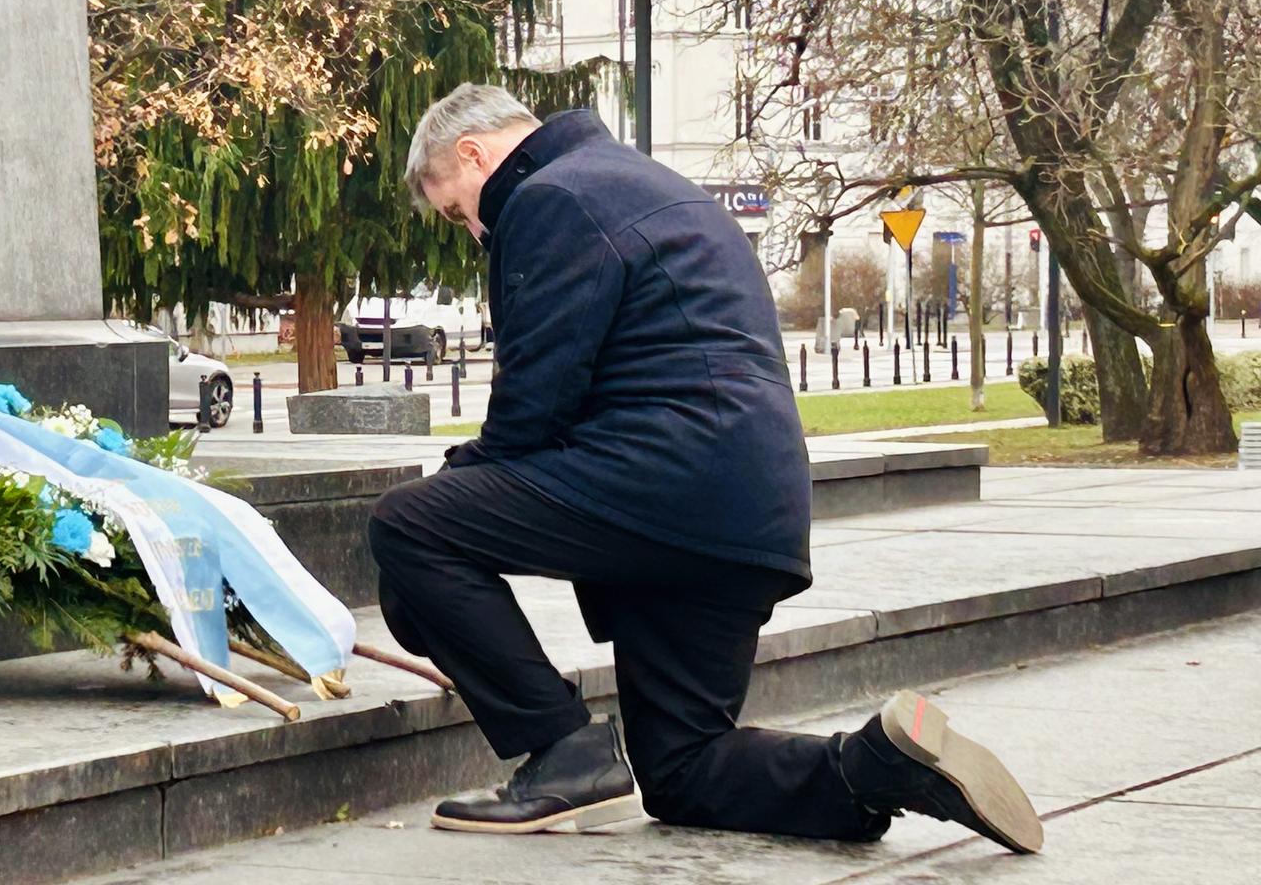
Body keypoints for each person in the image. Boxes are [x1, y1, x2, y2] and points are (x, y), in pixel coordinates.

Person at [370, 84, 1043, 851]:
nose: (475, 231)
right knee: (683, 768)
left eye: (460, 210)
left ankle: (565, 748)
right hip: (743, 508)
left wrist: (423, 539)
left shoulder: (548, 198)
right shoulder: (647, 184)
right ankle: (874, 768)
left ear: (473, 154)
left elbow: (533, 405)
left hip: (667, 483)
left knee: (407, 521)